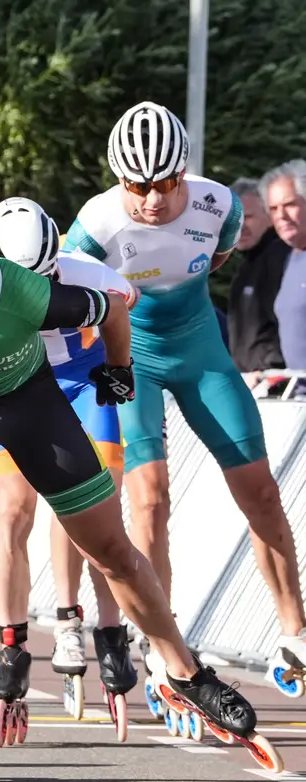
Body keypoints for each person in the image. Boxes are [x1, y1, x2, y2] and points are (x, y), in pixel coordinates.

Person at [0, 179, 268, 754]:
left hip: (30, 405)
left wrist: (119, 370)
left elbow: (114, 310)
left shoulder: (31, 293)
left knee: (111, 550)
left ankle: (186, 673)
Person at [62, 101, 306, 690]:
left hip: (199, 350)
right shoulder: (95, 224)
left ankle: (295, 632)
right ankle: (163, 645)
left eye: (167, 183)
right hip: (133, 355)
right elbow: (69, 298)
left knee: (261, 491)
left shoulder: (219, 204)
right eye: (137, 185)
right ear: (119, 180)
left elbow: (216, 257)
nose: (152, 199)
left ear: (184, 172)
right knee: (150, 498)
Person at [0, 198, 140, 714]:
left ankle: (104, 628)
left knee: (99, 500)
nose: (40, 292)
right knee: (12, 509)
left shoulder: (81, 270)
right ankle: (12, 643)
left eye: (48, 278)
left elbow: (128, 298)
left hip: (79, 383)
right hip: (14, 388)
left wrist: (119, 367)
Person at [227, 178, 286, 387]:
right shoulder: (247, 265)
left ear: (269, 216)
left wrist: (269, 370)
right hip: (253, 383)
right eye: (233, 220)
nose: (240, 226)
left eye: (248, 217)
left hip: (276, 385)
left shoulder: (281, 258)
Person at [260, 160, 306, 380]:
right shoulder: (289, 258)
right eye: (273, 208)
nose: (281, 215)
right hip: (295, 392)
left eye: (290, 205)